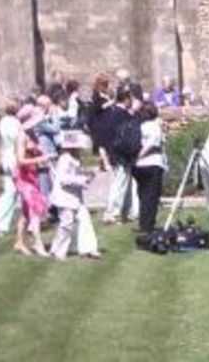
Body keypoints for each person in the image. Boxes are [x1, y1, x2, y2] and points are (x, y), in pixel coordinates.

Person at [49, 130, 101, 260]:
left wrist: (87, 175)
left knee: (85, 219)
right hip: (64, 197)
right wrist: (82, 180)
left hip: (75, 196)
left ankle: (89, 248)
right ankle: (58, 250)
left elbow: (75, 175)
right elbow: (64, 179)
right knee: (66, 224)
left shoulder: (74, 159)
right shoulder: (64, 159)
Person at [12, 111, 51, 257]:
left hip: (32, 175)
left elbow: (37, 152)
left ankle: (19, 242)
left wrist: (43, 156)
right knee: (35, 209)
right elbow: (20, 161)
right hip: (23, 177)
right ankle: (38, 243)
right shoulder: (21, 136)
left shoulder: (32, 134)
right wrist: (39, 159)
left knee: (26, 212)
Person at [102, 90, 140, 225]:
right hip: (122, 155)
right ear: (125, 99)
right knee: (119, 184)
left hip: (117, 154)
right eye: (130, 99)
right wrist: (134, 113)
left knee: (126, 184)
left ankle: (128, 211)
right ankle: (112, 212)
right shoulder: (121, 114)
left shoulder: (112, 113)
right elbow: (129, 132)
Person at [132, 101, 166, 235]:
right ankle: (148, 226)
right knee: (151, 196)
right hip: (152, 163)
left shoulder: (140, 126)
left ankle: (143, 223)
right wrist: (140, 156)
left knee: (142, 195)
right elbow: (152, 144)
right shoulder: (154, 127)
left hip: (139, 167)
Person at [0, 97, 21, 236]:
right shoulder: (15, 123)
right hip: (13, 158)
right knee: (10, 193)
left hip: (5, 157)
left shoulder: (2, 121)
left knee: (10, 192)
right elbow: (16, 141)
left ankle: (1, 223)